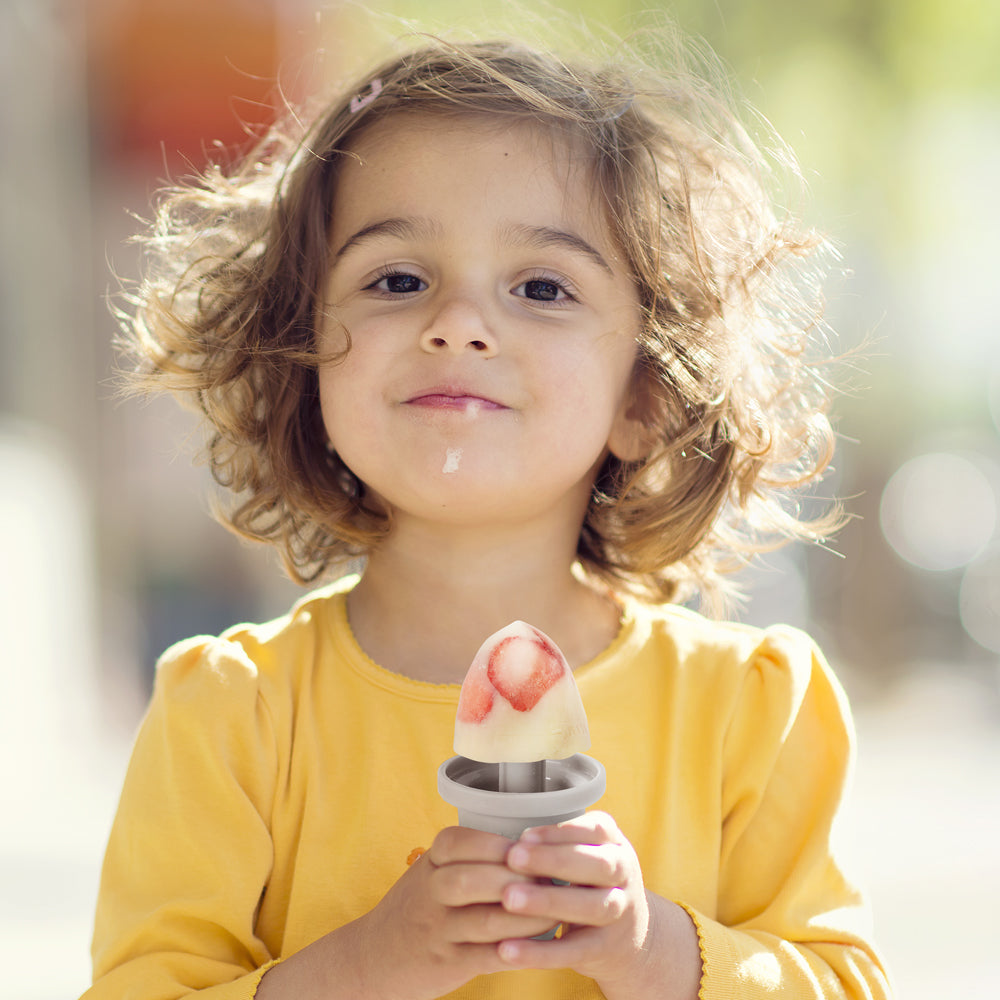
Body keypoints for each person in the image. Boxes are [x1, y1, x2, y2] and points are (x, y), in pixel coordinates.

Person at [84, 21, 893, 1000]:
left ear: (642, 397)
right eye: (397, 279)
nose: (459, 322)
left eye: (541, 287)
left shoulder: (750, 712)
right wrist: (366, 966)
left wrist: (652, 948)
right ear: (303, 364)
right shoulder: (233, 718)